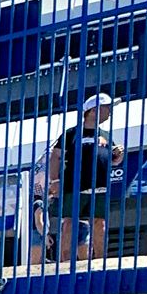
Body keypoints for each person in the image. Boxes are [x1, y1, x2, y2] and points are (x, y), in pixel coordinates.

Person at [50, 94, 122, 270]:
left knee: (100, 222)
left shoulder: (105, 135)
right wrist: (55, 180)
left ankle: (100, 262)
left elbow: (111, 160)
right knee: (70, 222)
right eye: (107, 108)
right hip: (75, 187)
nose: (110, 112)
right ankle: (64, 262)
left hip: (100, 187)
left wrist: (118, 156)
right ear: (94, 111)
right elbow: (56, 156)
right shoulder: (72, 134)